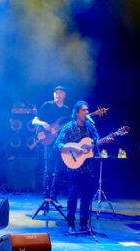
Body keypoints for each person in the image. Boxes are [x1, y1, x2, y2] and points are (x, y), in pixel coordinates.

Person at [55, 101, 99, 233]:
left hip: (88, 168)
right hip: (73, 167)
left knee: (86, 197)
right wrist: (73, 146)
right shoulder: (69, 127)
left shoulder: (90, 127)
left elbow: (97, 140)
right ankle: (70, 224)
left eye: (87, 110)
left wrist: (103, 140)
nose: (86, 112)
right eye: (84, 110)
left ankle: (84, 224)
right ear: (77, 112)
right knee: (73, 197)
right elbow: (58, 144)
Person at [32, 85, 70, 204]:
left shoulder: (67, 110)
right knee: (48, 170)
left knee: (60, 170)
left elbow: (69, 126)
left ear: (64, 95)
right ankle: (46, 196)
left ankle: (54, 196)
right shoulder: (47, 105)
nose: (57, 95)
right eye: (55, 93)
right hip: (48, 141)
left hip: (61, 143)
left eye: (60, 93)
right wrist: (43, 124)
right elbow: (34, 121)